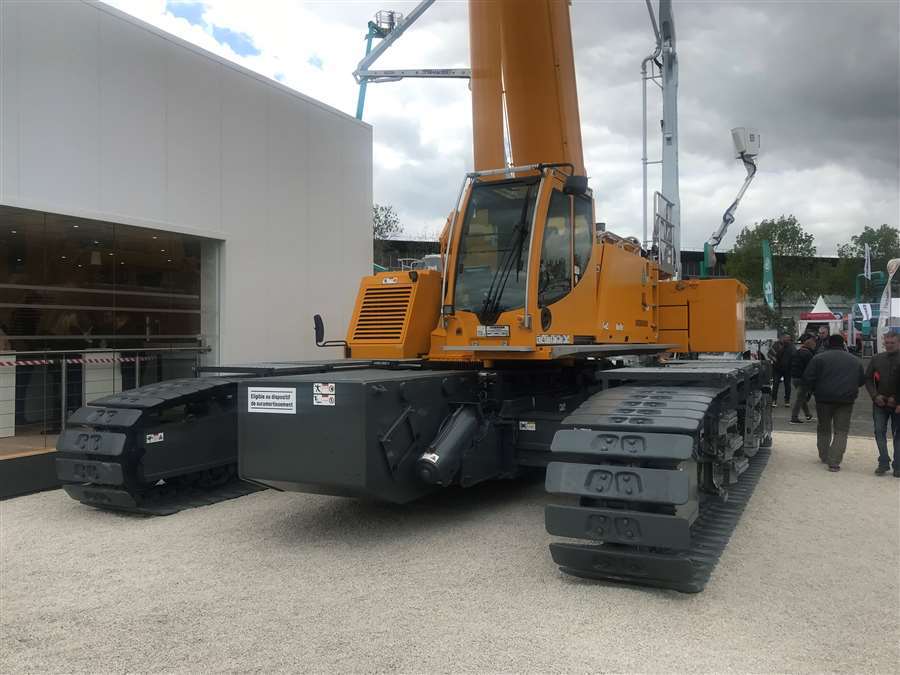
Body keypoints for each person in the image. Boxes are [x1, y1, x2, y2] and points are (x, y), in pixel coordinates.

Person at [803, 334, 865, 472]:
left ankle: (824, 455)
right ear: (843, 344)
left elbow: (808, 377)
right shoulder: (855, 360)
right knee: (841, 431)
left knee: (823, 427)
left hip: (823, 399)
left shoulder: (818, 358)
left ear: (828, 344)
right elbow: (861, 381)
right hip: (846, 400)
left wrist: (814, 390)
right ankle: (834, 461)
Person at [865, 330, 899, 476]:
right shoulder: (877, 359)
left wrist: (897, 399)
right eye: (887, 342)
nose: (889, 345)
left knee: (898, 435)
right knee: (879, 432)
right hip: (879, 403)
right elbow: (867, 378)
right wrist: (875, 395)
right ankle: (883, 462)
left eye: (893, 343)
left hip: (898, 405)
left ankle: (898, 465)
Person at [789, 332, 817, 423]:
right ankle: (794, 417)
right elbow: (811, 368)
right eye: (814, 344)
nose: (815, 346)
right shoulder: (808, 354)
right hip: (802, 378)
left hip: (795, 377)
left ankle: (808, 415)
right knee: (800, 398)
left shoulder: (798, 352)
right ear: (810, 345)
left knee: (802, 397)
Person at [769, 333, 796, 407]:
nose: (787, 339)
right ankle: (774, 400)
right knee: (775, 384)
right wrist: (774, 358)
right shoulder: (776, 345)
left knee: (787, 385)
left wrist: (792, 365)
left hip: (787, 369)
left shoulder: (791, 346)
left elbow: (795, 356)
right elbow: (769, 354)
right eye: (785, 338)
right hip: (777, 369)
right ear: (782, 338)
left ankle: (787, 400)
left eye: (788, 338)